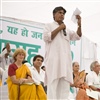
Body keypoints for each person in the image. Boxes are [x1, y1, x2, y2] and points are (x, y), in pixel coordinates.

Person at [43, 6, 82, 99]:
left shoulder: (67, 29)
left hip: (65, 64)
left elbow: (78, 36)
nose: (62, 15)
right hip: (54, 63)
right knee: (52, 88)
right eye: (59, 13)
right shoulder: (48, 25)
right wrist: (59, 28)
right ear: (54, 14)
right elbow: (46, 37)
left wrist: (79, 25)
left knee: (64, 90)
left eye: (63, 13)